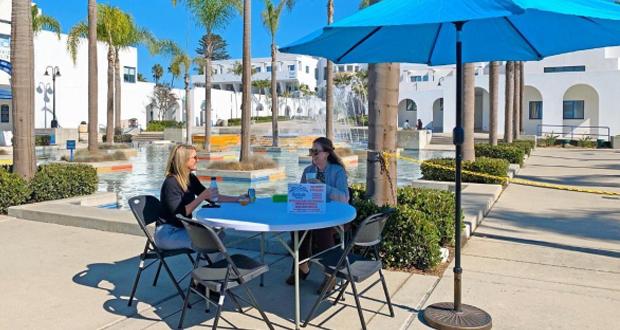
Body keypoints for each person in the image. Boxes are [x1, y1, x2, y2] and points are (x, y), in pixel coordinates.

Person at [286, 137, 349, 292]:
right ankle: (303, 267)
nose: (312, 154)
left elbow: (344, 198)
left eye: (316, 151)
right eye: (311, 151)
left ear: (326, 153)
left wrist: (323, 187)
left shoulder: (337, 171)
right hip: (312, 212)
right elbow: (301, 194)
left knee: (323, 231)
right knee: (297, 229)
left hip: (333, 216)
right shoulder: (308, 171)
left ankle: (330, 276)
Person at [156, 144, 242, 250]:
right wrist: (201, 197)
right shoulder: (171, 183)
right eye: (194, 157)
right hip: (167, 233)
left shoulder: (190, 178)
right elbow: (180, 213)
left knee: (220, 235)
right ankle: (208, 266)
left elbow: (212, 197)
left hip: (183, 228)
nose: (198, 160)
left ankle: (212, 266)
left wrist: (237, 199)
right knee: (208, 241)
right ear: (183, 160)